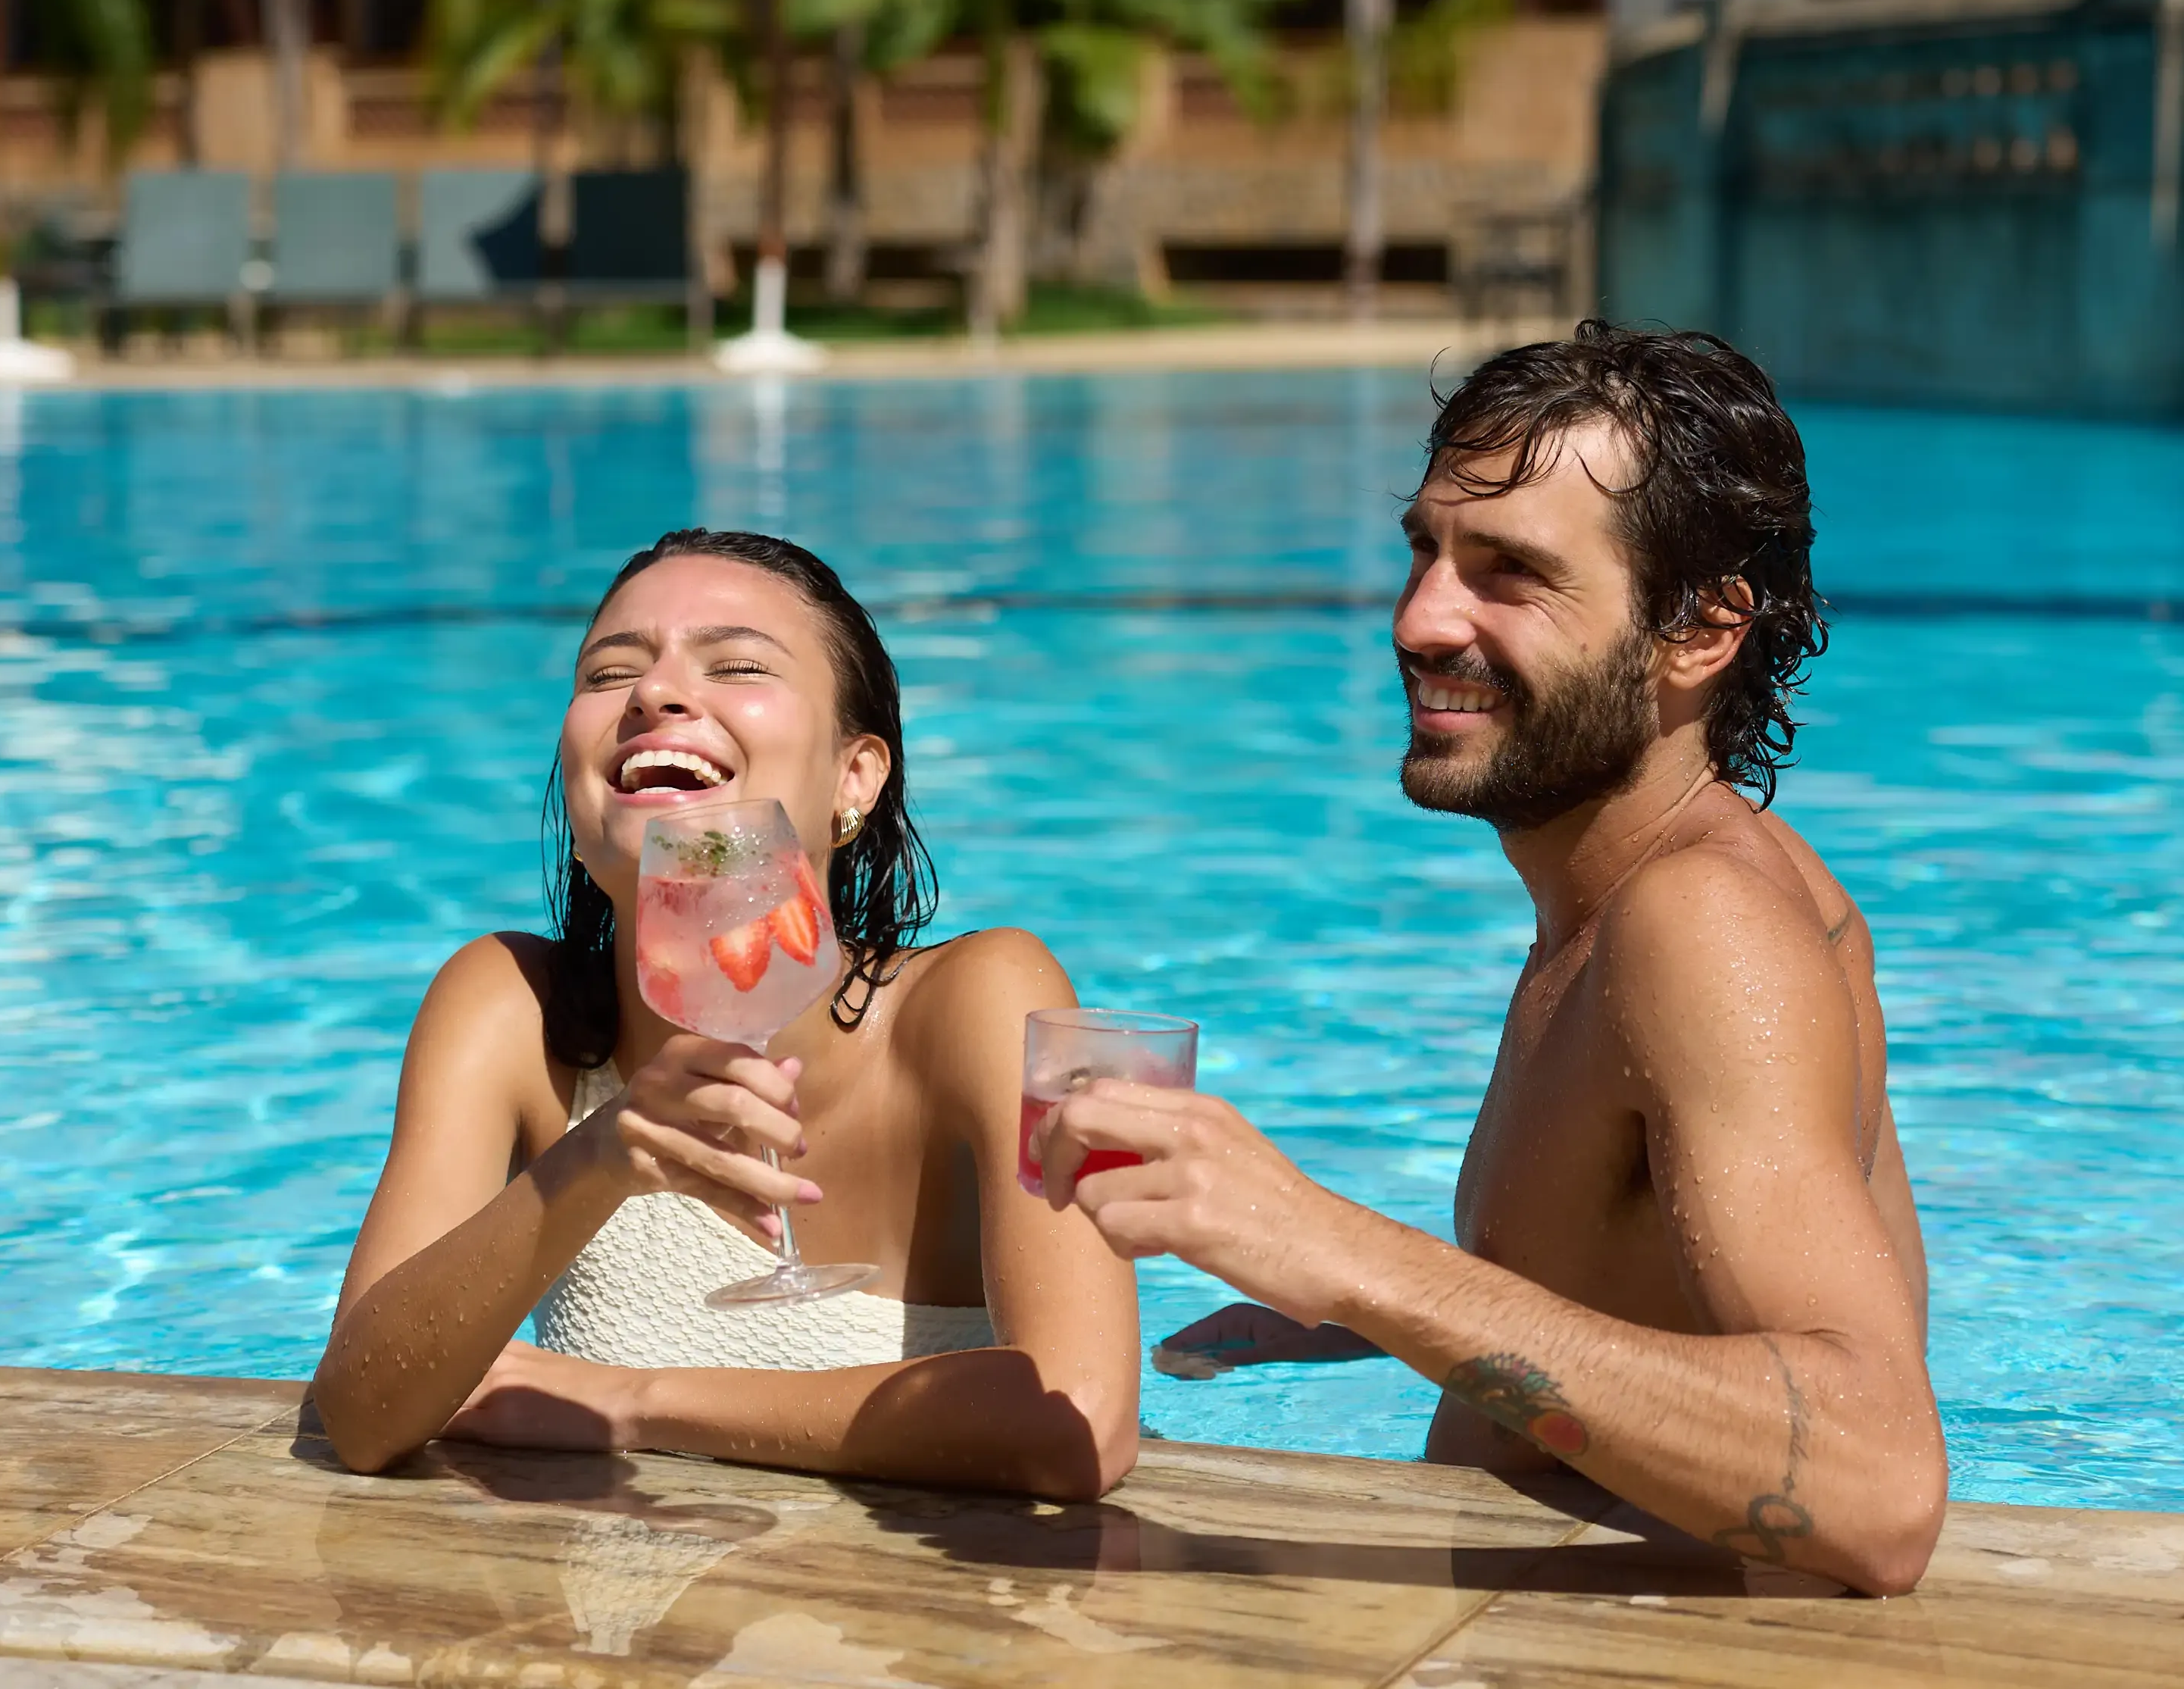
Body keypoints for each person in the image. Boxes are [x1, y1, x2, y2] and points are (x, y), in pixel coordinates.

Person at [1030, 324, 1946, 1595]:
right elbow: (1677, 1274)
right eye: (1426, 550)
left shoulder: (1701, 929)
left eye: (1509, 573)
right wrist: (1367, 1315)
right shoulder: (1643, 891)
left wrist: (1343, 1249)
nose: (1419, 620)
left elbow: (1877, 1485)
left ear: (1700, 632)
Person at [313, 529, 1138, 1500]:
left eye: (738, 664)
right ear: (579, 811)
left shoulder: (982, 1000)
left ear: (855, 778)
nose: (654, 694)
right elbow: (360, 1415)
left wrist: (632, 1400)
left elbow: (1081, 1422)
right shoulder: (511, 1010)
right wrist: (596, 1159)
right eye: (607, 672)